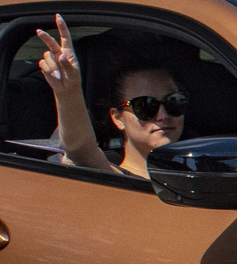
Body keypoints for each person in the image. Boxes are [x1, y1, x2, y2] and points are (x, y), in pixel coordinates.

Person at [33, 16, 190, 179]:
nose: (163, 116)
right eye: (145, 105)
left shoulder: (201, 169)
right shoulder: (114, 179)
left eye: (174, 101)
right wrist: (69, 91)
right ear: (118, 117)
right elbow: (80, 151)